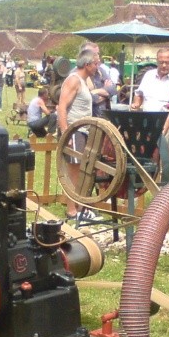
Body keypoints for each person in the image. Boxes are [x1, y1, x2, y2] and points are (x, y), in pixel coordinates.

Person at [57, 49, 102, 221]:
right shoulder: (73, 80)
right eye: (96, 63)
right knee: (74, 173)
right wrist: (65, 133)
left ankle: (82, 210)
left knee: (82, 171)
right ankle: (72, 211)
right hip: (74, 132)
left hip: (83, 131)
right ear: (87, 64)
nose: (97, 67)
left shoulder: (84, 81)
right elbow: (61, 107)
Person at [80, 41, 114, 118]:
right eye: (94, 54)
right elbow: (88, 98)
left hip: (103, 118)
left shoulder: (101, 70)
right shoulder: (76, 76)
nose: (98, 57)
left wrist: (96, 91)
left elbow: (113, 89)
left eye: (98, 53)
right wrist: (105, 94)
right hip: (87, 119)